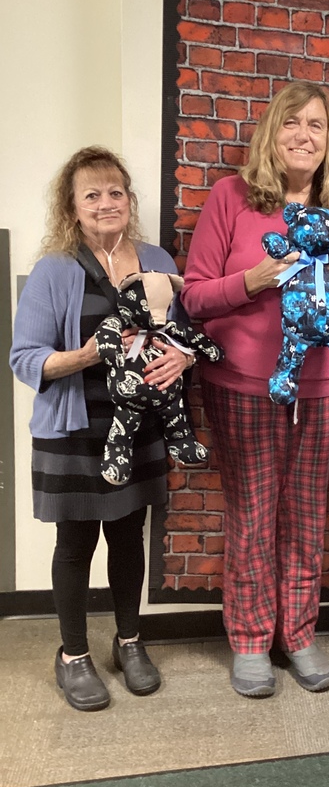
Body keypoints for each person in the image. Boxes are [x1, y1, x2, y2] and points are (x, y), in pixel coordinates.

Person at [181, 81, 329, 698]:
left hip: (318, 387)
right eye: (292, 123)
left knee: (308, 515)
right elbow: (195, 295)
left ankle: (301, 634)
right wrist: (253, 279)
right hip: (242, 384)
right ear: (271, 132)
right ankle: (252, 641)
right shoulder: (232, 196)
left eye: (316, 125)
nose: (303, 136)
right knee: (255, 514)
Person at [10, 146, 190, 711]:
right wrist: (90, 354)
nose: (106, 202)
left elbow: (184, 334)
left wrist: (182, 357)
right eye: (92, 194)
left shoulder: (158, 259)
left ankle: (129, 641)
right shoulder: (55, 269)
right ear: (73, 206)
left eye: (116, 192)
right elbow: (25, 359)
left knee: (128, 536)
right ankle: (73, 655)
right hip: (74, 428)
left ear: (129, 200)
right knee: (75, 542)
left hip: (141, 427)